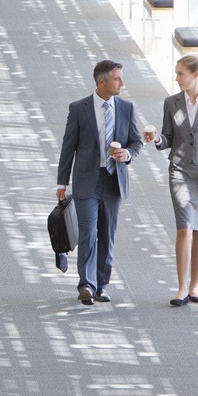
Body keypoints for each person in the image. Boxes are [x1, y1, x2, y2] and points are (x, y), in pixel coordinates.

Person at [144, 54, 198, 306]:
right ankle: (181, 287)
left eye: (180, 74)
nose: (176, 78)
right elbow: (168, 138)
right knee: (184, 228)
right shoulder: (171, 103)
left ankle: (195, 286)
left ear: (196, 75)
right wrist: (157, 139)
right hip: (180, 172)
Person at [57, 59, 143, 305]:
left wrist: (127, 154)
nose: (122, 83)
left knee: (107, 234)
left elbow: (136, 142)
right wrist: (61, 183)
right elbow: (68, 148)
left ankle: (101, 285)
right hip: (87, 181)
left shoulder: (126, 108)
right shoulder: (79, 108)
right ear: (102, 81)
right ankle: (86, 284)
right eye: (117, 79)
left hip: (114, 180)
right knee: (88, 231)